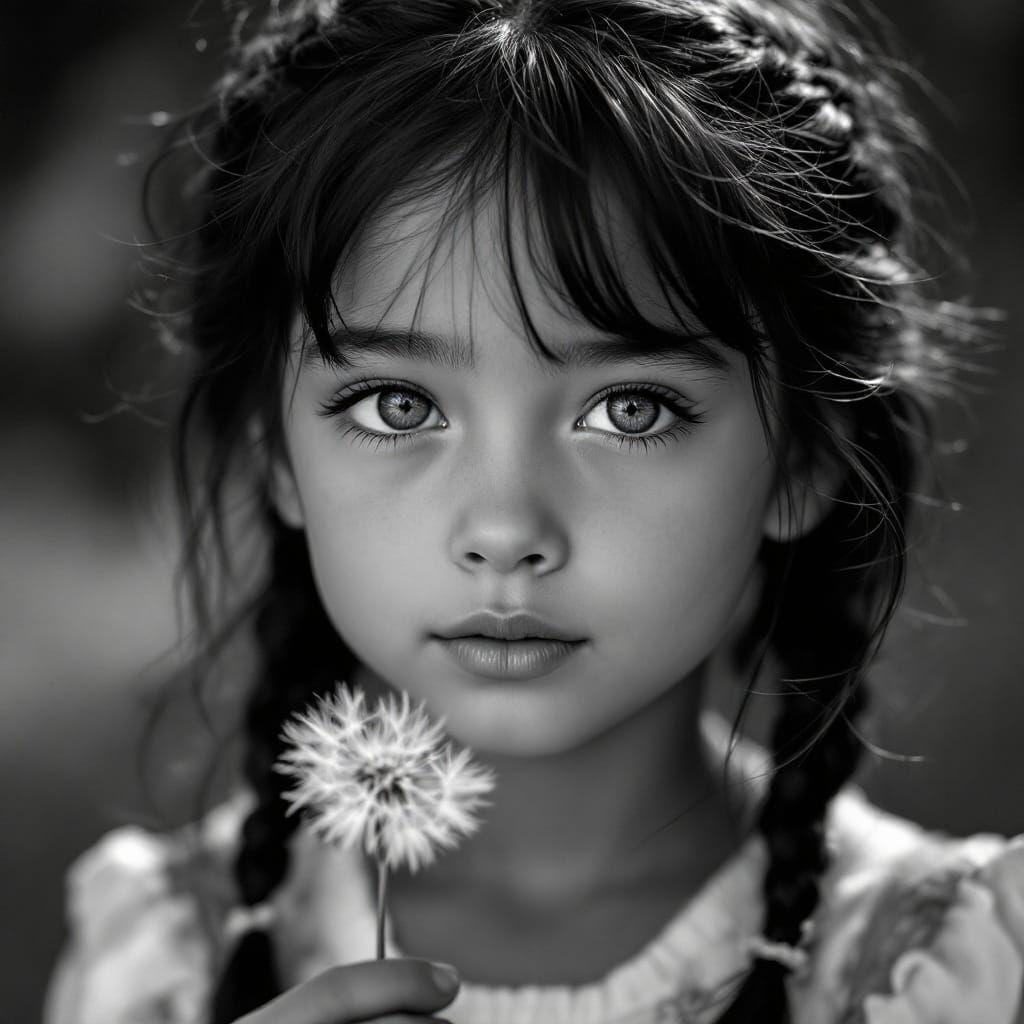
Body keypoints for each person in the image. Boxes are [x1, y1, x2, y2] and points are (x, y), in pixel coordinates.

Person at [44, 1, 1024, 1022]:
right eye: (398, 405)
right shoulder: (158, 967)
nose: (505, 530)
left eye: (629, 409)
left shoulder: (964, 974)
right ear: (277, 453)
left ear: (803, 458)